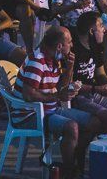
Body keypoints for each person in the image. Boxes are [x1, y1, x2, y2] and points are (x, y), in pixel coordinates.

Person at [15, 25, 99, 178]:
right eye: (70, 42)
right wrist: (57, 97)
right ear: (60, 46)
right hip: (30, 114)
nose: (72, 45)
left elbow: (61, 87)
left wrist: (69, 68)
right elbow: (28, 94)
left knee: (93, 122)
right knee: (71, 127)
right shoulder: (38, 61)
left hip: (49, 109)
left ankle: (74, 163)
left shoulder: (55, 58)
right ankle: (69, 172)